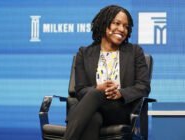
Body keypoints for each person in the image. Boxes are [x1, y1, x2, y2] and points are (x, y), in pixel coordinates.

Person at [64, 5, 150, 140]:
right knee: (93, 118)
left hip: (120, 110)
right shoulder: (84, 53)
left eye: (126, 26)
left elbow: (143, 87)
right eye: (117, 23)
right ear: (104, 23)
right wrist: (98, 89)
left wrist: (119, 93)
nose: (122, 29)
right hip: (92, 110)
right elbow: (80, 90)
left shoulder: (135, 52)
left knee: (95, 94)